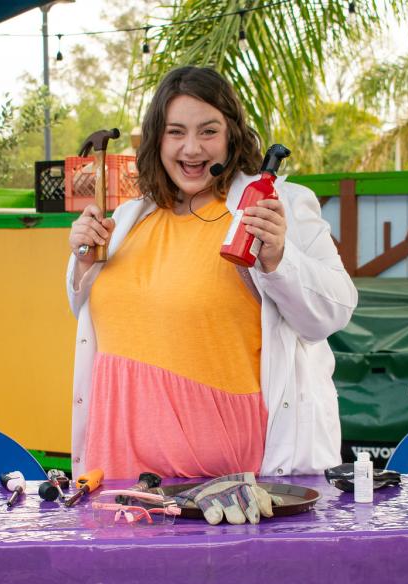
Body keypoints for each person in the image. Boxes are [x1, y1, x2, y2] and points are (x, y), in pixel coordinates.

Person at [66, 66, 358, 480]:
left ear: (231, 136)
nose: (191, 148)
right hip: (117, 471)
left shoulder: (277, 205)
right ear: (156, 140)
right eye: (175, 132)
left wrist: (278, 257)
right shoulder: (131, 216)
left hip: (224, 486)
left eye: (208, 131)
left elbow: (334, 311)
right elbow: (91, 315)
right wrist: (82, 260)